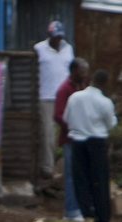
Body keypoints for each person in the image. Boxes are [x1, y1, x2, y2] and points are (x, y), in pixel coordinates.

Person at [66, 68, 118, 222]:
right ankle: (102, 218)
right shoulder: (105, 102)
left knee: (81, 178)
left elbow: (66, 118)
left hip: (78, 141)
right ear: (104, 84)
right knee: (99, 180)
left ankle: (86, 213)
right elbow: (111, 124)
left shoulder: (75, 97)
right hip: (97, 141)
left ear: (91, 80)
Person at [34, 21, 74, 180]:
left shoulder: (68, 49)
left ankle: (66, 168)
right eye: (55, 37)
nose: (58, 40)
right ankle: (48, 168)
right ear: (49, 35)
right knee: (47, 135)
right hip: (46, 97)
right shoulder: (39, 49)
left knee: (67, 132)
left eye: (59, 37)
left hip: (65, 98)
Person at [53, 58, 90, 222]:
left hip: (84, 137)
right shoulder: (64, 90)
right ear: (74, 71)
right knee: (71, 176)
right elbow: (58, 115)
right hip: (71, 138)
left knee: (82, 174)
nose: (85, 74)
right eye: (83, 71)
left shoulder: (83, 88)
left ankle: (80, 207)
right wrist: (75, 126)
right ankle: (71, 211)